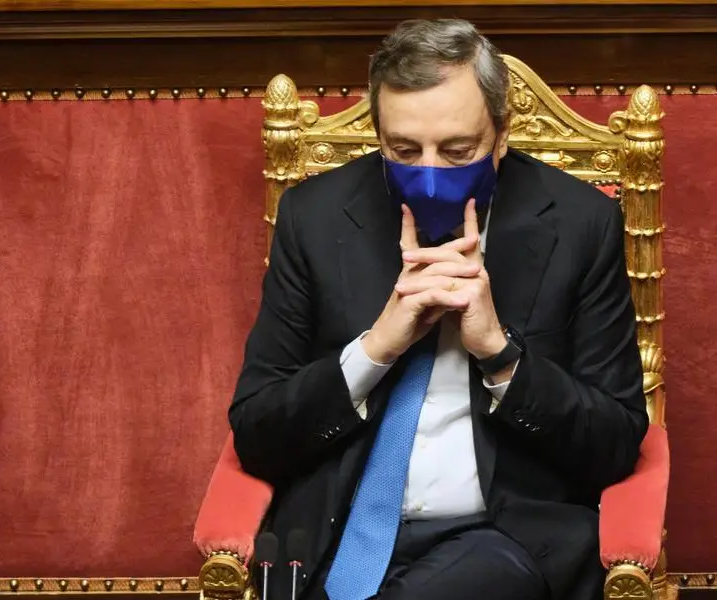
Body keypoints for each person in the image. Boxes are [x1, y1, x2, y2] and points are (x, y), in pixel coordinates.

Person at [229, 18, 648, 600]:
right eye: (404, 151)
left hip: (504, 538)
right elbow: (256, 433)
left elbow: (616, 442)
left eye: (457, 151)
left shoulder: (580, 223)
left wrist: (500, 354)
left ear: (502, 133)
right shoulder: (316, 217)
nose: (429, 176)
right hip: (338, 534)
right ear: (379, 136)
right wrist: (376, 349)